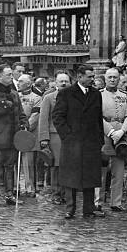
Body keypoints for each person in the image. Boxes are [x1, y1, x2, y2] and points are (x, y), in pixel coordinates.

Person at [52, 65, 105, 219]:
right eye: (89, 76)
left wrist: (99, 139)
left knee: (90, 176)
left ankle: (88, 209)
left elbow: (98, 118)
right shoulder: (66, 94)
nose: (92, 79)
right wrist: (67, 136)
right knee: (71, 177)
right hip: (72, 142)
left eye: (93, 76)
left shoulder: (96, 94)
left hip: (91, 142)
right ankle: (70, 208)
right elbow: (58, 117)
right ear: (80, 76)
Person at [0, 65, 27, 207]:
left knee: (10, 166)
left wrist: (24, 123)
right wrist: (3, 105)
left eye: (11, 74)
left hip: (13, 136)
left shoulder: (14, 93)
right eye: (8, 74)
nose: (11, 77)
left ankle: (9, 194)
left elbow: (21, 112)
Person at [99, 67, 127, 212]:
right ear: (105, 79)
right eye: (110, 77)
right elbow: (96, 115)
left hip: (121, 136)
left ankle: (116, 202)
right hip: (104, 134)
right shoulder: (99, 95)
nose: (113, 80)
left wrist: (122, 131)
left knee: (118, 171)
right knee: (101, 170)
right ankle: (98, 201)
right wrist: (111, 131)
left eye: (115, 77)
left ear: (119, 79)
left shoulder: (124, 96)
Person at [38, 72, 71, 205]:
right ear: (56, 83)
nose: (63, 83)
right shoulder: (49, 98)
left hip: (69, 136)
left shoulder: (73, 97)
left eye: (66, 81)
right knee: (56, 165)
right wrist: (44, 138)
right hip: (54, 135)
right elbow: (43, 118)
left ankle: (66, 192)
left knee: (67, 165)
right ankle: (56, 192)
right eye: (61, 81)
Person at [17, 74, 42, 197]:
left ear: (28, 84)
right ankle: (14, 186)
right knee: (15, 161)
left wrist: (25, 127)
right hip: (15, 132)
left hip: (29, 134)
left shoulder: (37, 98)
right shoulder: (15, 96)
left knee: (29, 162)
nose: (18, 83)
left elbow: (35, 116)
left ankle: (30, 187)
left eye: (21, 81)